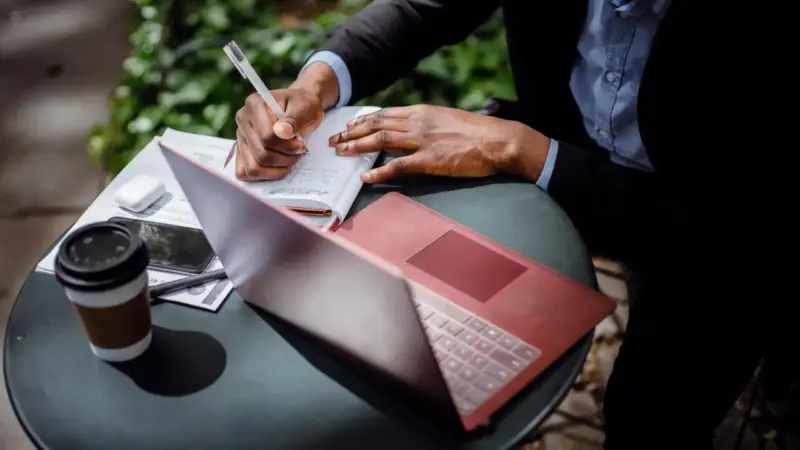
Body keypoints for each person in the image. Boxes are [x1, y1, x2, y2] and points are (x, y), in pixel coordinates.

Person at [233, 1, 782, 448]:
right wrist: (316, 84)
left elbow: (738, 227)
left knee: (652, 418)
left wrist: (523, 150)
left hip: (721, 240)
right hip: (568, 147)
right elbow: (421, 8)